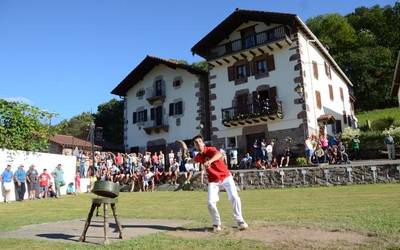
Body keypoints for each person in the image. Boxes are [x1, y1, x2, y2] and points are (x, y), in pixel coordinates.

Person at [193, 135, 248, 232]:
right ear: (195, 146)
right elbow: (194, 160)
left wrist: (210, 161)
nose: (198, 143)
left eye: (200, 141)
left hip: (226, 176)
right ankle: (216, 224)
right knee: (210, 203)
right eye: (196, 143)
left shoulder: (210, 149)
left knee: (234, 197)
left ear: (203, 143)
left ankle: (240, 221)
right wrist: (188, 158)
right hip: (213, 181)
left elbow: (219, 155)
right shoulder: (198, 156)